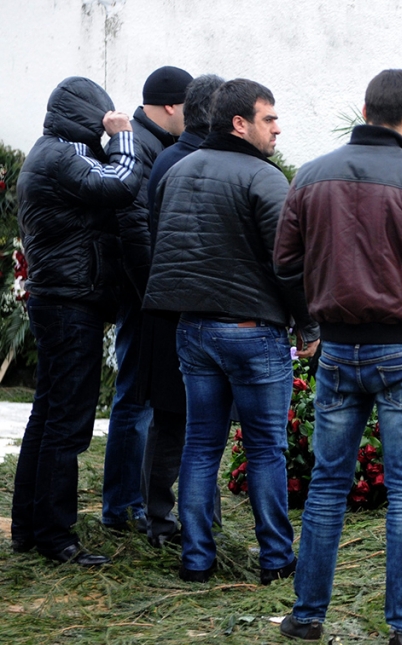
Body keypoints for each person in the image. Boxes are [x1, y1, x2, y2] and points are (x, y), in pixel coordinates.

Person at [275, 69, 402, 645]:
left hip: (337, 348)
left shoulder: (310, 175)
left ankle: (307, 616)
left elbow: (285, 264)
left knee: (328, 484)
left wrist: (323, 296)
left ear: (364, 109)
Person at [144, 78, 319, 583]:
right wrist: (308, 325)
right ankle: (277, 561)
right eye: (270, 119)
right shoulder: (265, 179)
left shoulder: (178, 171)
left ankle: (196, 561)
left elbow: (165, 250)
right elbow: (290, 265)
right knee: (266, 448)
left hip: (193, 333)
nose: (278, 128)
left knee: (201, 446)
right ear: (239, 123)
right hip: (251, 334)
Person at [11, 77, 143, 565]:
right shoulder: (61, 156)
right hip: (70, 304)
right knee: (67, 424)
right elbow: (120, 186)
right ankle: (56, 537)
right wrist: (124, 136)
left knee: (48, 416)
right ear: (91, 115)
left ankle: (28, 526)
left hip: (59, 299)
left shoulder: (50, 153)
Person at [102, 65, 193, 533]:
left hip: (148, 293)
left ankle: (130, 503)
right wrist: (152, 297)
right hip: (143, 296)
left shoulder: (150, 141)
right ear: (173, 106)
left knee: (142, 400)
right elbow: (133, 231)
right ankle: (123, 509)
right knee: (136, 400)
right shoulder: (142, 145)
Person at [137, 74, 225, 548]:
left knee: (188, 421)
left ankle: (190, 519)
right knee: (176, 421)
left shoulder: (177, 158)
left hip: (172, 308)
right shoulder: (184, 163)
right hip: (178, 312)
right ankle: (163, 521)